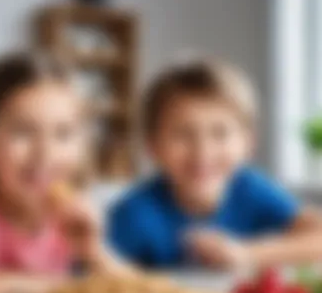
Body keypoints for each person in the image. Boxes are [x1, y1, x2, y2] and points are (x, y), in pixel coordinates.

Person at [108, 57, 322, 270]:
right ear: (153, 146)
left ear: (248, 143)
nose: (202, 151)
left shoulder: (250, 190)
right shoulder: (134, 214)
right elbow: (101, 277)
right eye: (183, 134)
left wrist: (245, 253)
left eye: (220, 133)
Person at [0, 51, 118, 293]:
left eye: (63, 134)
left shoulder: (72, 216)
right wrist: (15, 286)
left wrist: (94, 252)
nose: (45, 152)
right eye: (23, 131)